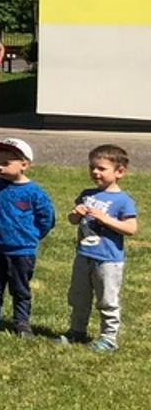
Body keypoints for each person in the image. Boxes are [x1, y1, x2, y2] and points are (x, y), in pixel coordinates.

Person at [62, 144, 135, 352]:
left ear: (119, 172)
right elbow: (72, 220)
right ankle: (77, 330)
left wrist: (106, 219)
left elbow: (131, 228)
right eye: (92, 167)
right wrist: (76, 213)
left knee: (107, 299)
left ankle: (109, 337)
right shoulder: (87, 194)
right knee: (78, 296)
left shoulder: (123, 200)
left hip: (108, 260)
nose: (95, 172)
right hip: (84, 255)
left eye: (101, 168)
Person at [0, 138, 55, 337]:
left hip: (22, 250)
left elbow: (46, 217)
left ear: (24, 164)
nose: (0, 167)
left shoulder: (34, 192)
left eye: (6, 163)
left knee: (20, 288)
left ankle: (21, 321)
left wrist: (33, 235)